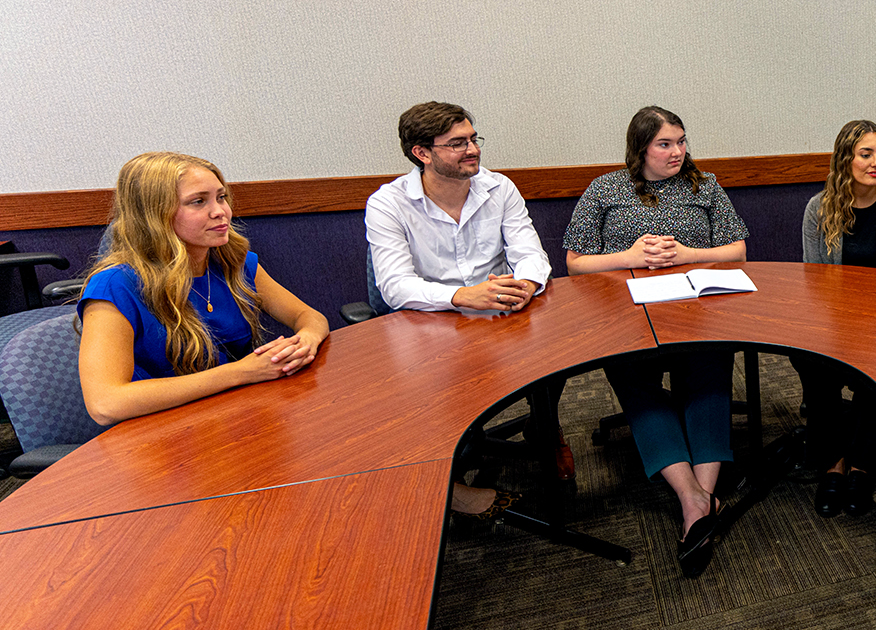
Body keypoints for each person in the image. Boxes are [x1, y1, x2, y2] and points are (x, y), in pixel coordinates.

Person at [565, 106, 748, 576]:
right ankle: (697, 500)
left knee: (710, 371)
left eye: (682, 141)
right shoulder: (606, 189)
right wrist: (627, 256)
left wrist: (688, 253)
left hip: (696, 309)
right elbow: (574, 263)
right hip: (628, 313)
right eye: (665, 144)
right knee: (634, 379)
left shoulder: (704, 186)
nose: (678, 152)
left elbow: (738, 251)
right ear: (640, 147)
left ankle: (696, 502)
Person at [366, 102, 554, 521]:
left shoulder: (499, 188)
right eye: (456, 144)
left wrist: (526, 282)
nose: (472, 150)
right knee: (440, 407)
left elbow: (530, 253)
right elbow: (394, 286)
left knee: (557, 357)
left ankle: (547, 430)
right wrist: (461, 296)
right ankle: (448, 474)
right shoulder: (388, 204)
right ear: (422, 153)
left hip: (500, 319)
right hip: (430, 329)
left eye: (473, 139)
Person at [77, 152, 329, 426]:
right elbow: (105, 403)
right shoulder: (115, 286)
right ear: (154, 215)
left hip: (229, 418)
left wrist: (306, 341)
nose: (220, 211)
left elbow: (309, 317)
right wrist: (240, 373)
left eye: (221, 197)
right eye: (198, 202)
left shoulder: (231, 260)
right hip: (159, 438)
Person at [797, 119, 876, 516]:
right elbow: (813, 280)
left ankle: (862, 466)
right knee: (810, 360)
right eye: (866, 154)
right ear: (845, 159)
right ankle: (833, 462)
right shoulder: (818, 208)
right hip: (833, 320)